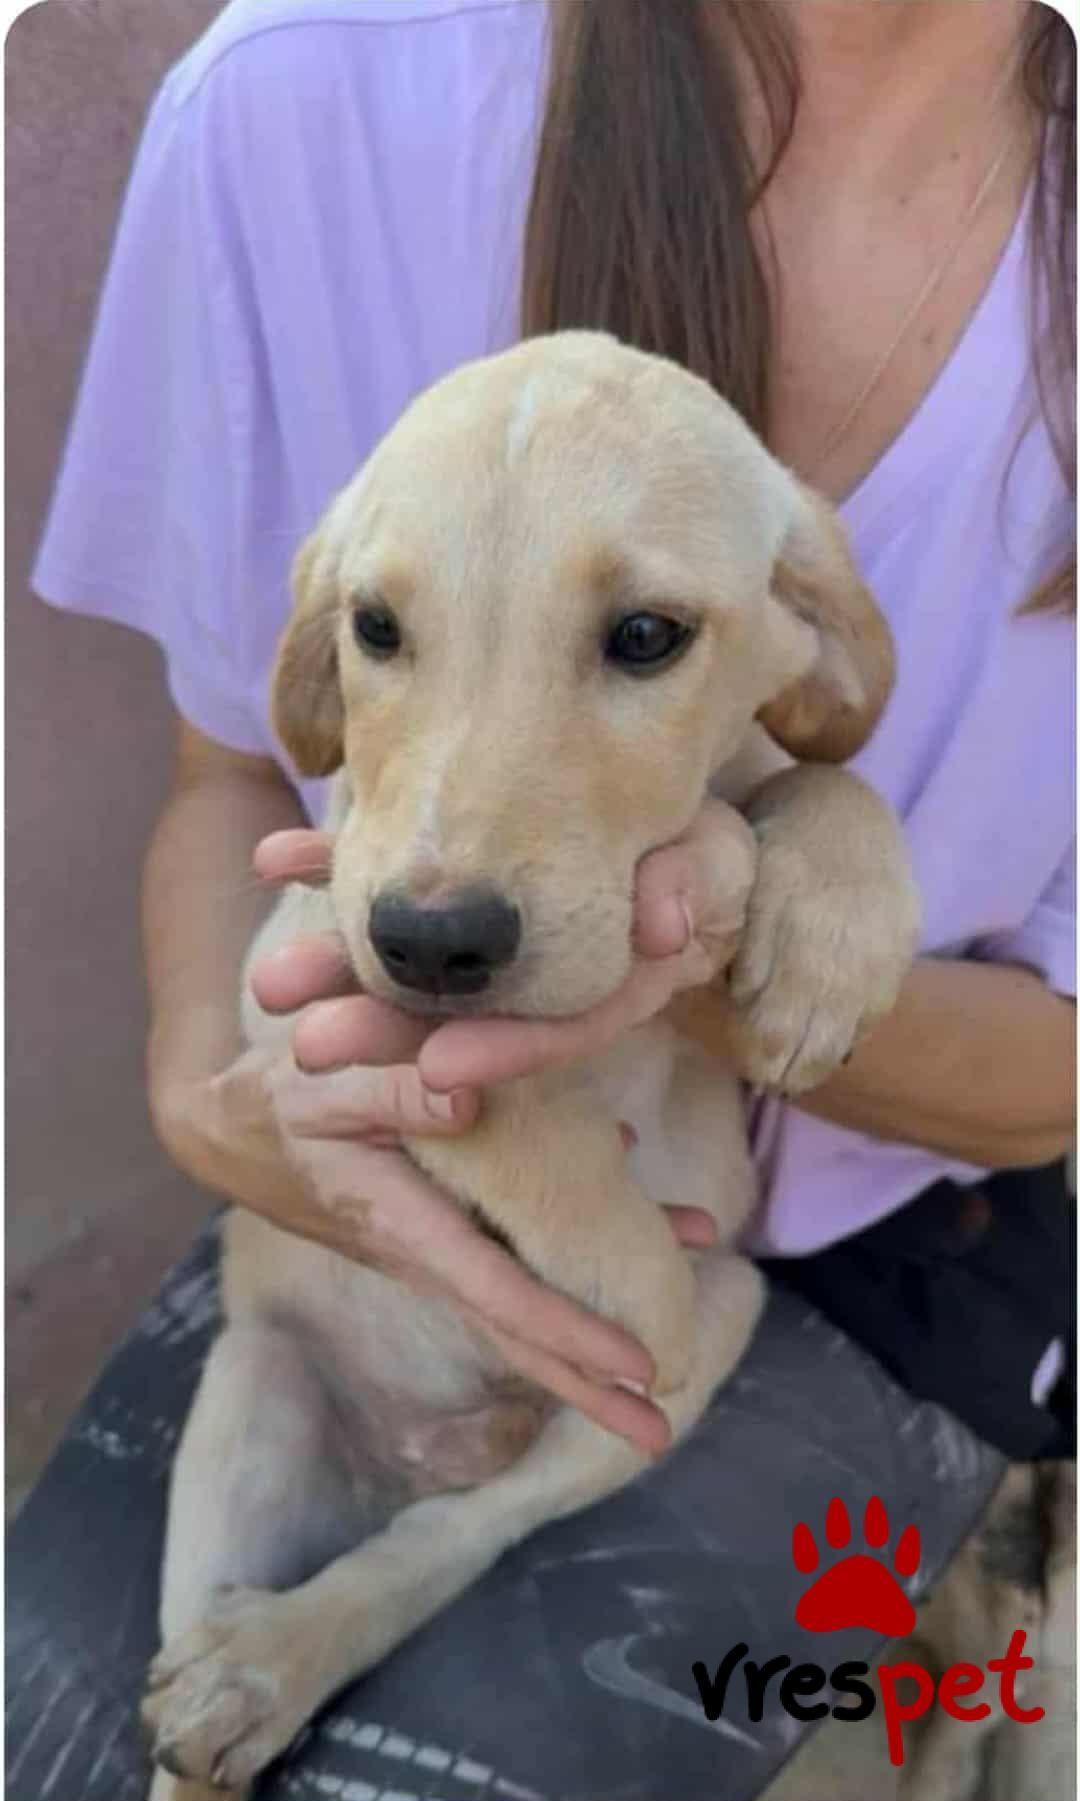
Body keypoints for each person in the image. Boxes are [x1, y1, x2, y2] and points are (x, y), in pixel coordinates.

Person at [31, 0, 1075, 1790]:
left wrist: (719, 942)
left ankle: (969, 1600)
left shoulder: (801, 660)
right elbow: (237, 775)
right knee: (49, 1741)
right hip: (328, 1249)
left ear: (813, 642)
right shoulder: (296, 99)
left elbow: (1050, 1073)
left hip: (878, 1247)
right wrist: (220, 1109)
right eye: (381, 630)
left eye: (642, 636)